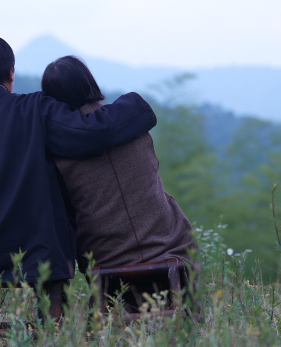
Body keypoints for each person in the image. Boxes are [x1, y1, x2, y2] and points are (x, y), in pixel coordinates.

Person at [0, 37, 157, 322]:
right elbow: (93, 133)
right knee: (51, 288)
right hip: (39, 255)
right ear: (11, 72)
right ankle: (52, 330)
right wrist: (136, 105)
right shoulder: (35, 109)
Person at [41, 55, 197, 287]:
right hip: (170, 248)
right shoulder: (134, 127)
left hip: (105, 261)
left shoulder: (57, 151)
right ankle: (186, 315)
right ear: (89, 82)